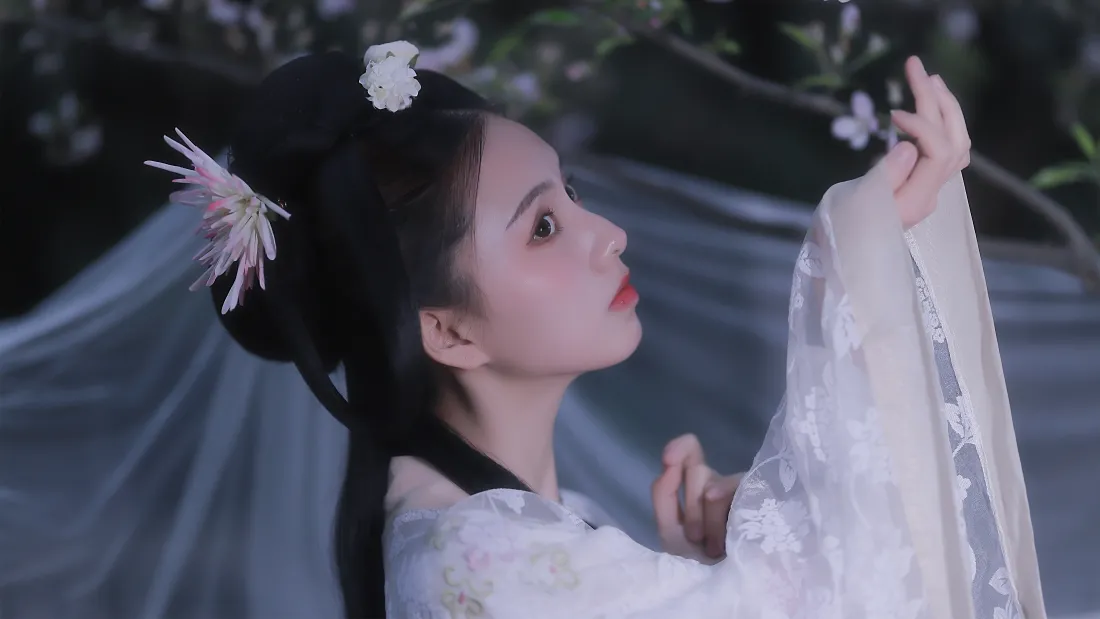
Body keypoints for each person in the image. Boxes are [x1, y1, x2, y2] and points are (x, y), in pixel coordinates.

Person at [145, 42, 1045, 619]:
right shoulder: (476, 560)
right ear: (446, 331)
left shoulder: (498, 531)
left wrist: (711, 560)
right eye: (543, 225)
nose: (607, 233)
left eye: (571, 194)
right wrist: (845, 263)